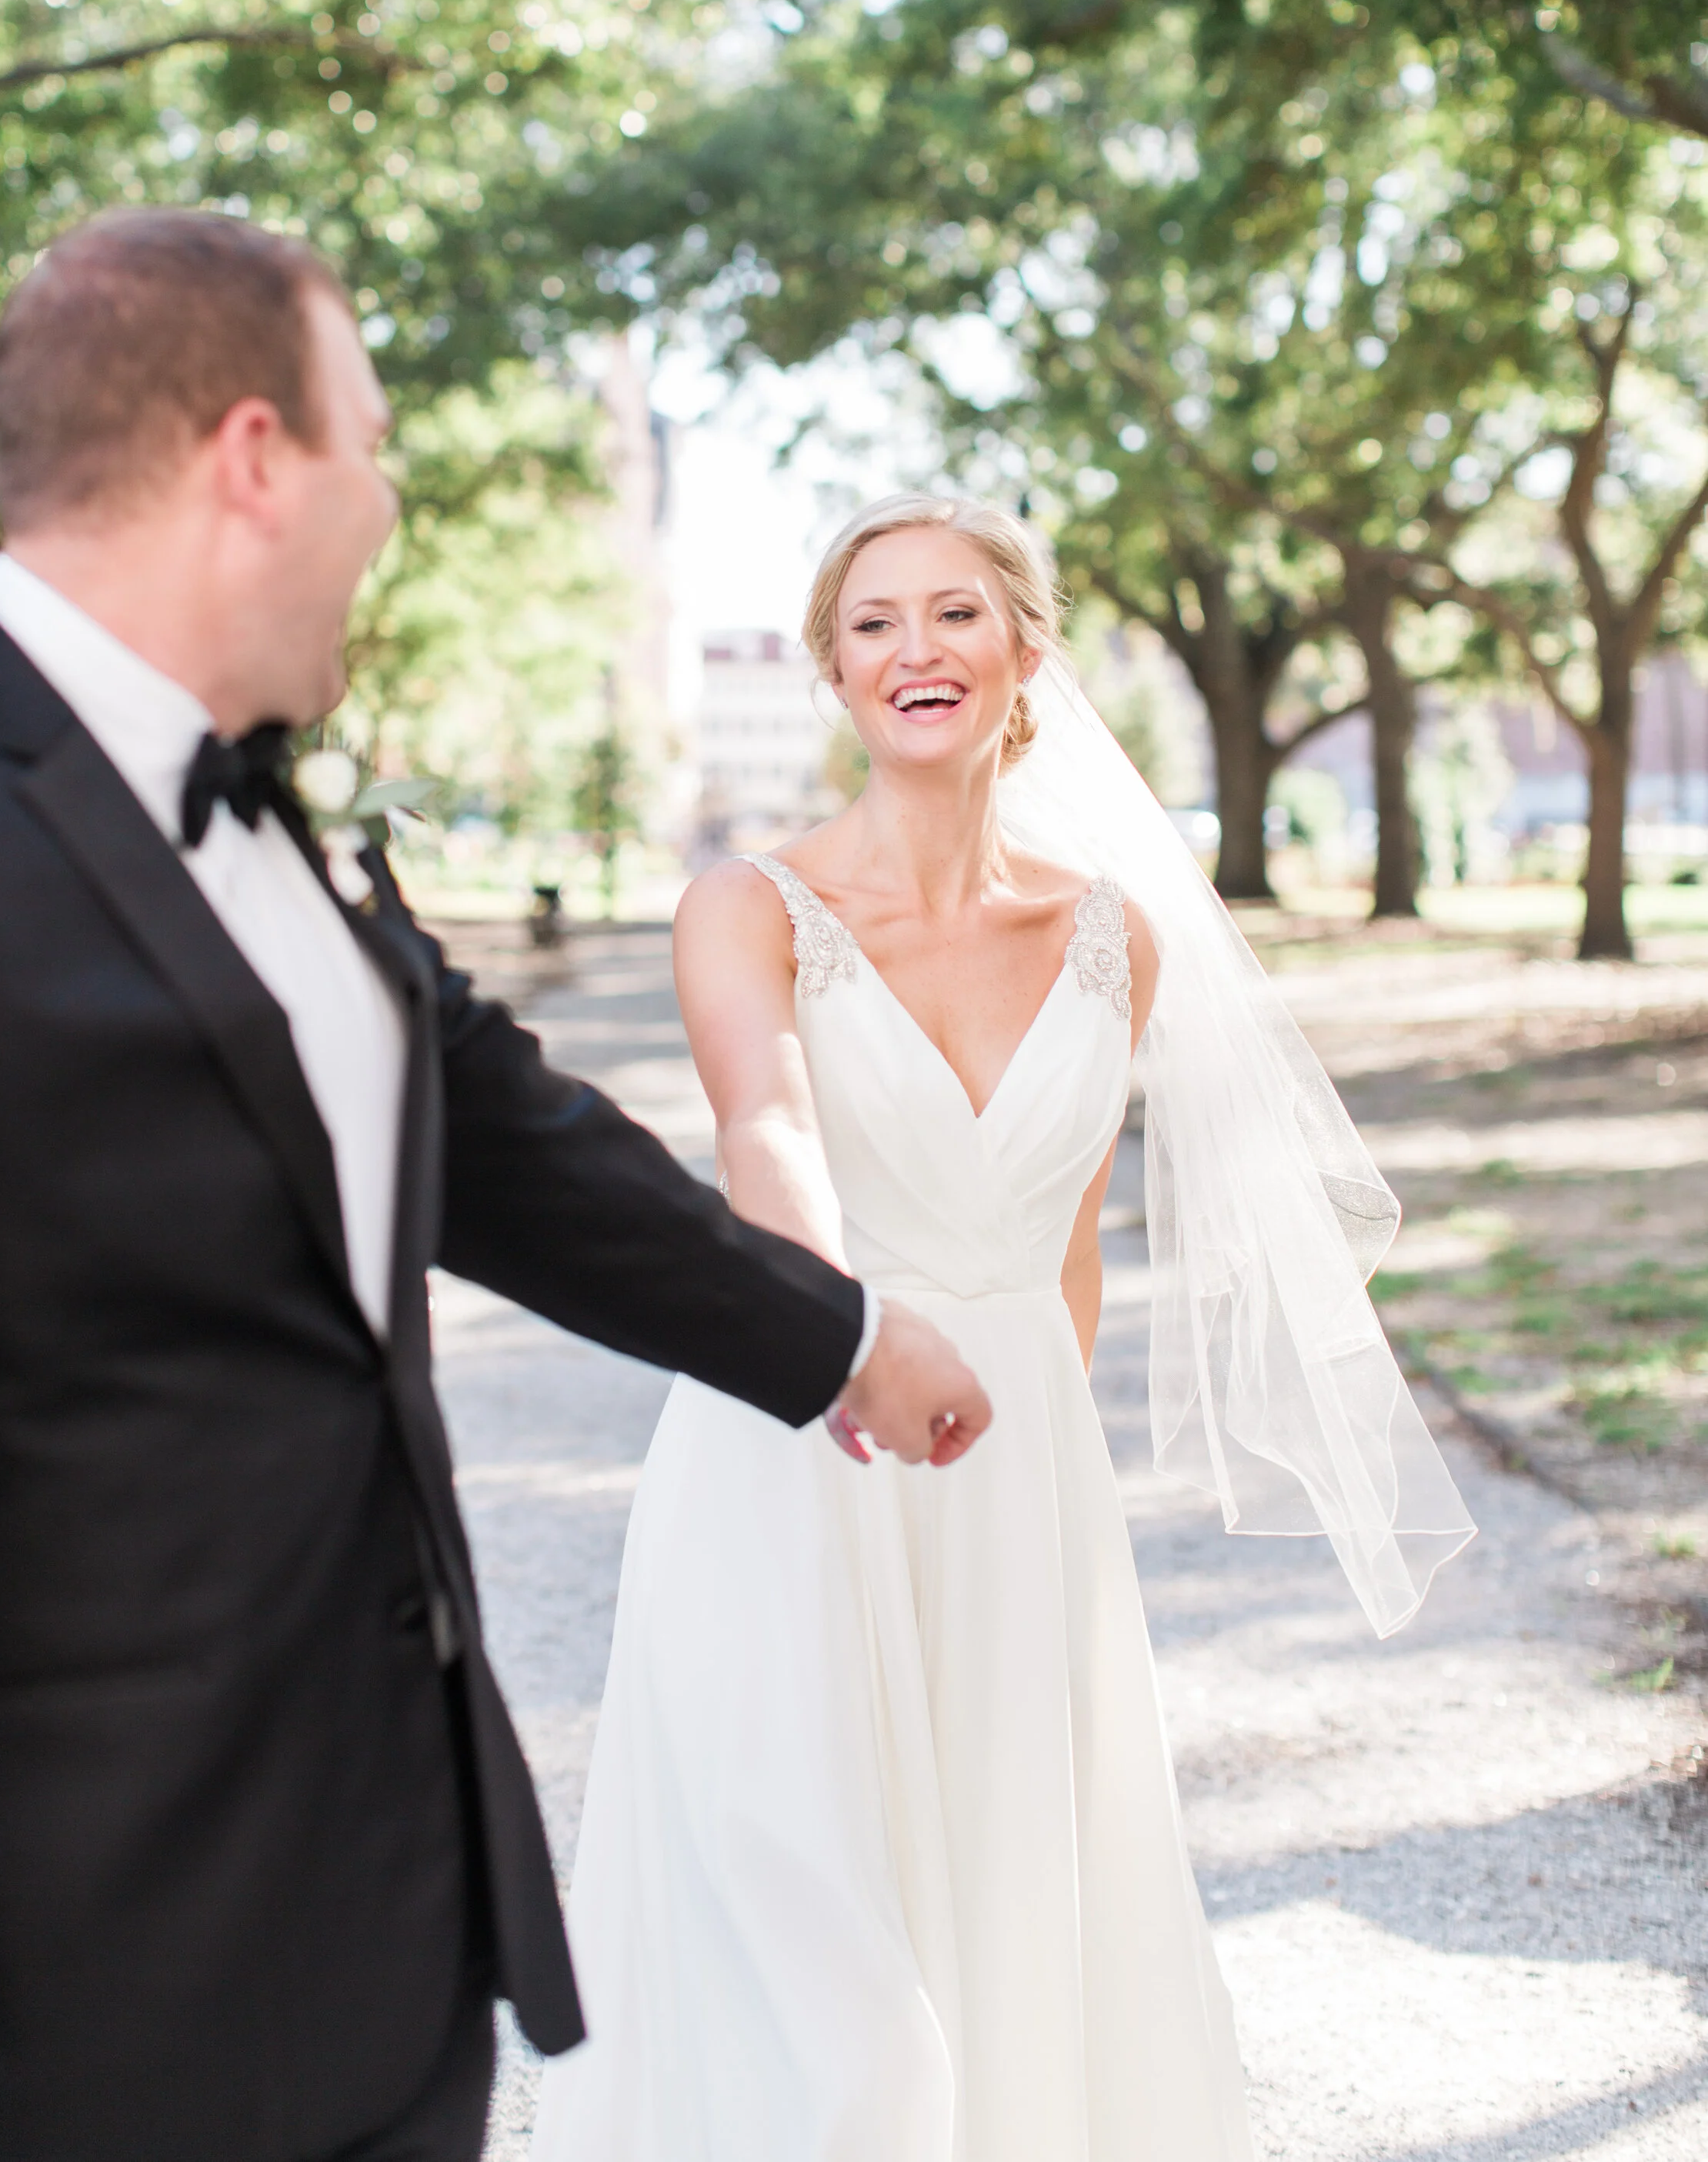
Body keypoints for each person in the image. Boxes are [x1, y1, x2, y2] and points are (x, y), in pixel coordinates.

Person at [0, 214, 992, 2162]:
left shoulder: (281, 816)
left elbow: (501, 1145)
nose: (392, 500)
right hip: (58, 2001)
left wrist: (837, 1335)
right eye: (373, 440)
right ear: (254, 459)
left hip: (390, 1947)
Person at [532, 492, 1475, 2162]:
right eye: (875, 621)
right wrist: (836, 1345)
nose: (917, 648)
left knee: (1010, 1894)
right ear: (834, 669)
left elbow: (1068, 1240)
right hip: (795, 1441)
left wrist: (1048, 1485)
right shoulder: (746, 906)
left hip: (1018, 1474)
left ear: (1026, 650)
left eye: (956, 612)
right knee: (807, 1929)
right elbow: (767, 1131)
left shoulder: (1115, 936)